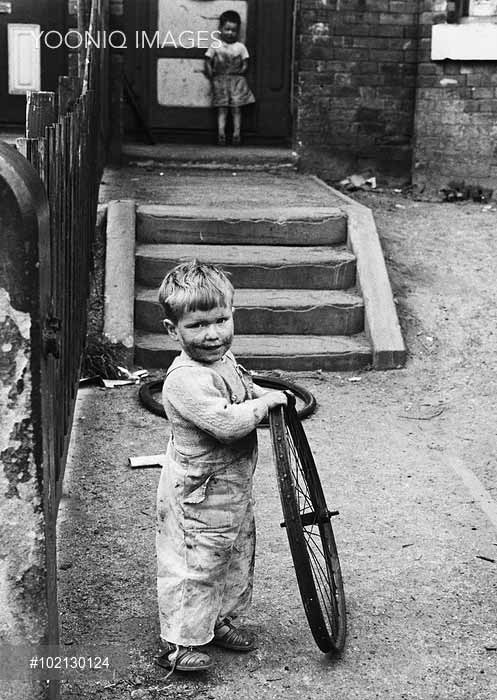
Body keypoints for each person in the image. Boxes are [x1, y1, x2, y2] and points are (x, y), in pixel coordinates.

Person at [155, 261, 287, 674]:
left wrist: (263, 393)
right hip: (198, 492)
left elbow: (244, 389)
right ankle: (179, 643)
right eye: (197, 325)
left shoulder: (224, 360)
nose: (212, 334)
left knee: (232, 554)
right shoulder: (185, 380)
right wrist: (264, 405)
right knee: (196, 564)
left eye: (221, 320)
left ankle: (218, 620)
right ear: (173, 330)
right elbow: (229, 424)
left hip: (230, 486)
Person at [204, 10, 255, 145]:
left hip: (236, 81)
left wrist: (241, 72)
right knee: (222, 109)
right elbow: (208, 60)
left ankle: (236, 134)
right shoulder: (216, 45)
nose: (230, 33)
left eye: (234, 30)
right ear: (220, 29)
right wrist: (210, 73)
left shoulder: (240, 47)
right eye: (227, 29)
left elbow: (245, 63)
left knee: (237, 108)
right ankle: (221, 133)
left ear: (238, 31)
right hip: (220, 80)